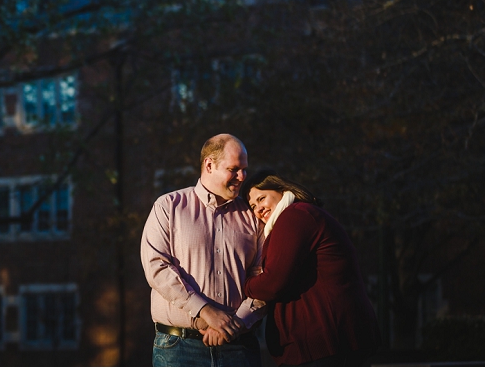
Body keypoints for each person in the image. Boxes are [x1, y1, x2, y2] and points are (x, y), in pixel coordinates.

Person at [140, 134, 266, 366]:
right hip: (178, 349)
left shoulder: (253, 215)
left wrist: (237, 323)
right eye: (234, 169)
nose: (242, 177)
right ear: (209, 165)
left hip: (239, 348)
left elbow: (264, 276)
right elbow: (156, 268)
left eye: (244, 170)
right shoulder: (168, 207)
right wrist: (205, 311)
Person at [242, 171, 380, 366]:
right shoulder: (302, 215)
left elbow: (273, 283)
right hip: (331, 340)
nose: (258, 209)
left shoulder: (294, 216)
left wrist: (245, 283)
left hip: (325, 342)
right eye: (253, 206)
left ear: (282, 189)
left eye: (261, 198)